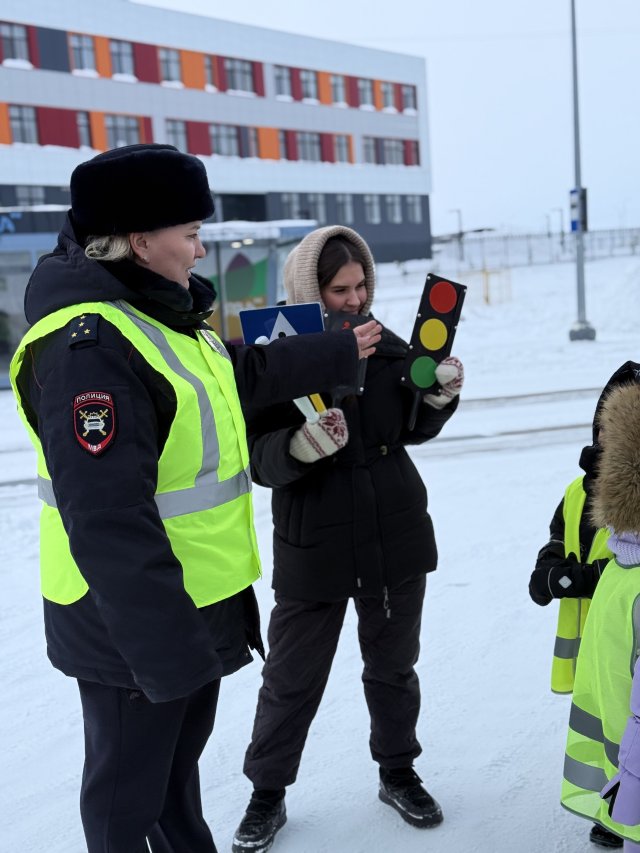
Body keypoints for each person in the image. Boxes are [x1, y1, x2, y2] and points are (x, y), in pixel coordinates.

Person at [8, 144, 382, 853]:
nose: (201, 248)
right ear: (140, 239)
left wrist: (340, 351)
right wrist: (166, 651)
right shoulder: (91, 347)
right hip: (133, 625)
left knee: (173, 785)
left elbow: (238, 370)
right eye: (190, 233)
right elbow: (108, 520)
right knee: (126, 798)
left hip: (186, 607)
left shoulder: (160, 319)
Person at [231, 225, 464, 852]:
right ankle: (267, 795)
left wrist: (437, 399)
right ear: (312, 290)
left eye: (362, 286)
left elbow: (409, 428)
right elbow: (258, 460)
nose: (356, 300)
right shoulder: (275, 357)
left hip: (394, 529)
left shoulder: (389, 346)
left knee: (393, 668)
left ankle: (397, 772)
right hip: (315, 539)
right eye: (340, 289)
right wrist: (300, 447)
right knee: (292, 677)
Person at [529, 363, 640, 850]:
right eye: (600, 429)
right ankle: (609, 802)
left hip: (623, 627)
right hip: (595, 640)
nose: (604, 439)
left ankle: (626, 802)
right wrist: (547, 567)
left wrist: (581, 578)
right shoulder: (578, 489)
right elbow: (559, 535)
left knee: (624, 723)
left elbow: (623, 561)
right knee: (600, 728)